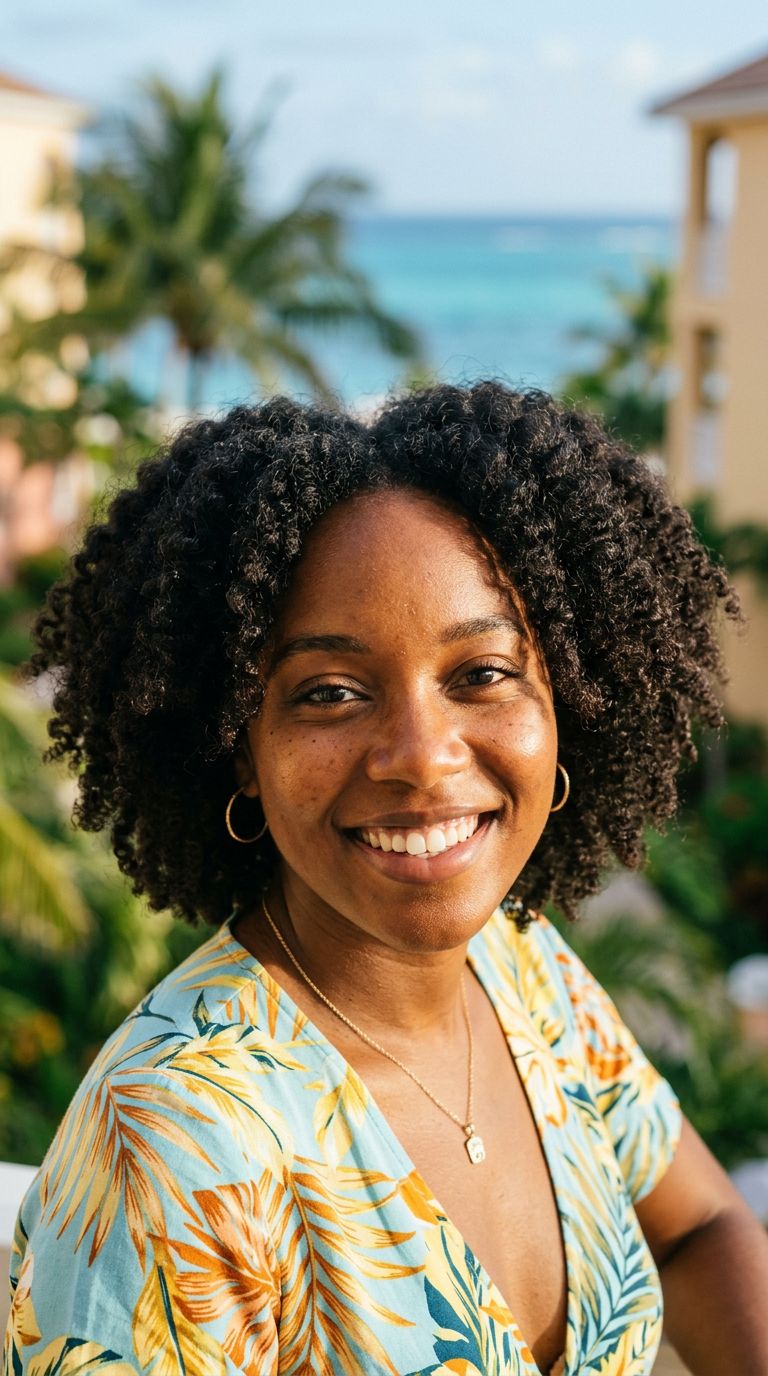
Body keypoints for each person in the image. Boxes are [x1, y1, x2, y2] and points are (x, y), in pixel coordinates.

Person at [5, 383, 768, 1376]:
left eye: (482, 672)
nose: (419, 755)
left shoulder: (521, 964)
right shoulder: (177, 1146)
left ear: (568, 697)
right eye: (330, 691)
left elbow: (700, 1222)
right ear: (239, 746)